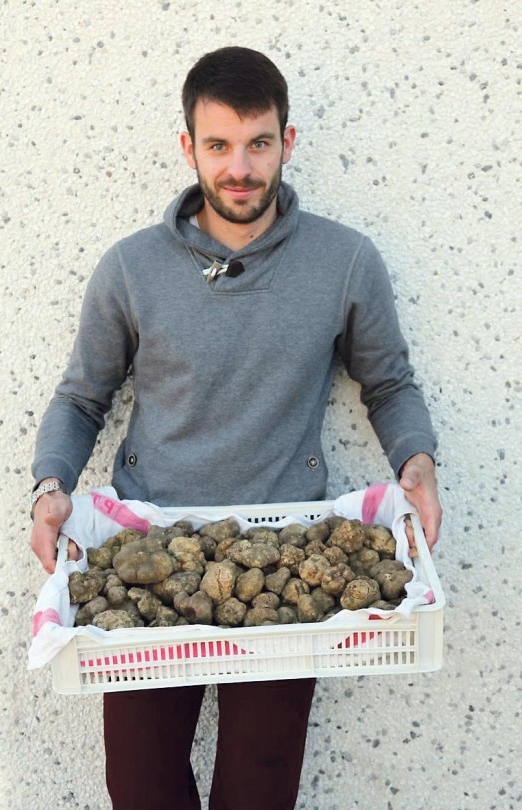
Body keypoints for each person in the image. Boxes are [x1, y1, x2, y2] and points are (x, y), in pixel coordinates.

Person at [30, 46, 442, 810]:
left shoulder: (345, 261)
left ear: (288, 141)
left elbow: (389, 383)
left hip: (291, 565)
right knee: (142, 788)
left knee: (260, 790)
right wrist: (51, 487)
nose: (240, 168)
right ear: (188, 147)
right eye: (218, 145)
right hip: (144, 555)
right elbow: (82, 397)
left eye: (258, 143)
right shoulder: (131, 268)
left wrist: (417, 461)